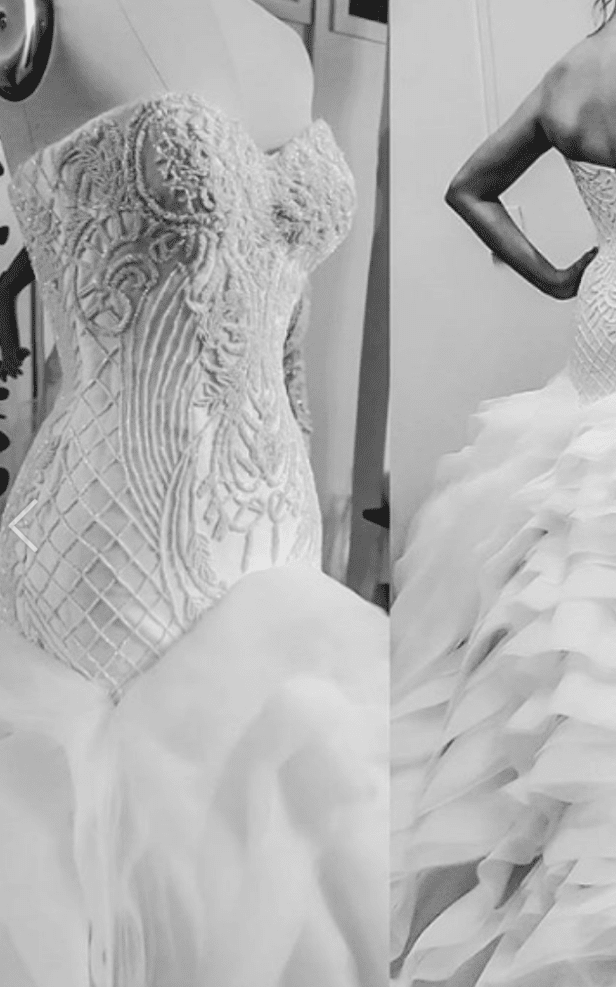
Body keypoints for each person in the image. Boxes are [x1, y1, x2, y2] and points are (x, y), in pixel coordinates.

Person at [0, 2, 389, 985]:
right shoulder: (48, 16)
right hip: (117, 556)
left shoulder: (283, 41)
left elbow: (284, 338)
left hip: (282, 555)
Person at [391, 1, 616, 984]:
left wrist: (559, 277)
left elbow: (468, 187)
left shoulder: (573, 71)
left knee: (566, 563)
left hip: (602, 322)